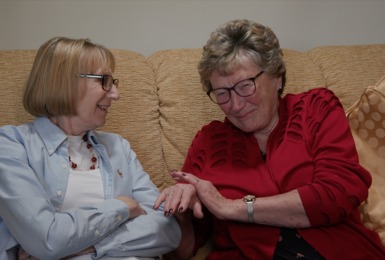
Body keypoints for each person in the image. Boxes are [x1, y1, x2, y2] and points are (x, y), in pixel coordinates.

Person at [154, 19, 385, 259]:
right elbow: (181, 252)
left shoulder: (315, 109)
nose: (235, 105)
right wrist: (180, 214)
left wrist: (230, 207)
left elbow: (338, 194)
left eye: (245, 86)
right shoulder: (208, 142)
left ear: (277, 76)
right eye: (222, 93)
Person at [0, 37, 180, 259]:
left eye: (114, 83)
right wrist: (122, 207)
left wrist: (88, 246)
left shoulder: (118, 147)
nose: (115, 94)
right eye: (104, 81)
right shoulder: (10, 145)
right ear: (64, 82)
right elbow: (47, 238)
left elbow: (168, 230)